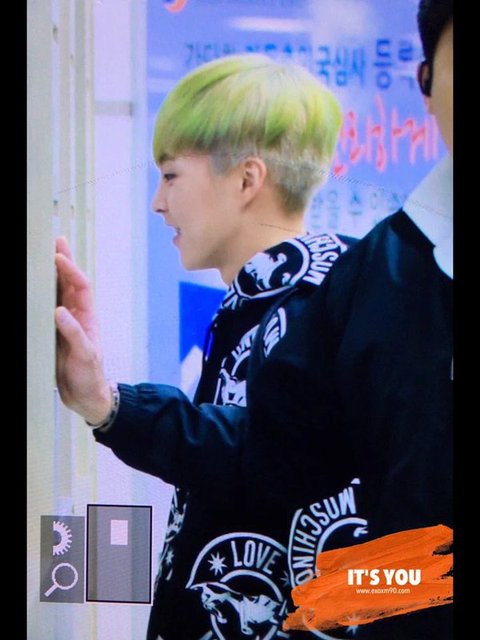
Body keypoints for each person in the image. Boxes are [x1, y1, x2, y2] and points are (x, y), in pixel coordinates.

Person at [55, 53, 353, 639]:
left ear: (246, 180)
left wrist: (109, 406)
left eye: (171, 176)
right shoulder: (286, 301)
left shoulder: (301, 309)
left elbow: (260, 455)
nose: (157, 202)